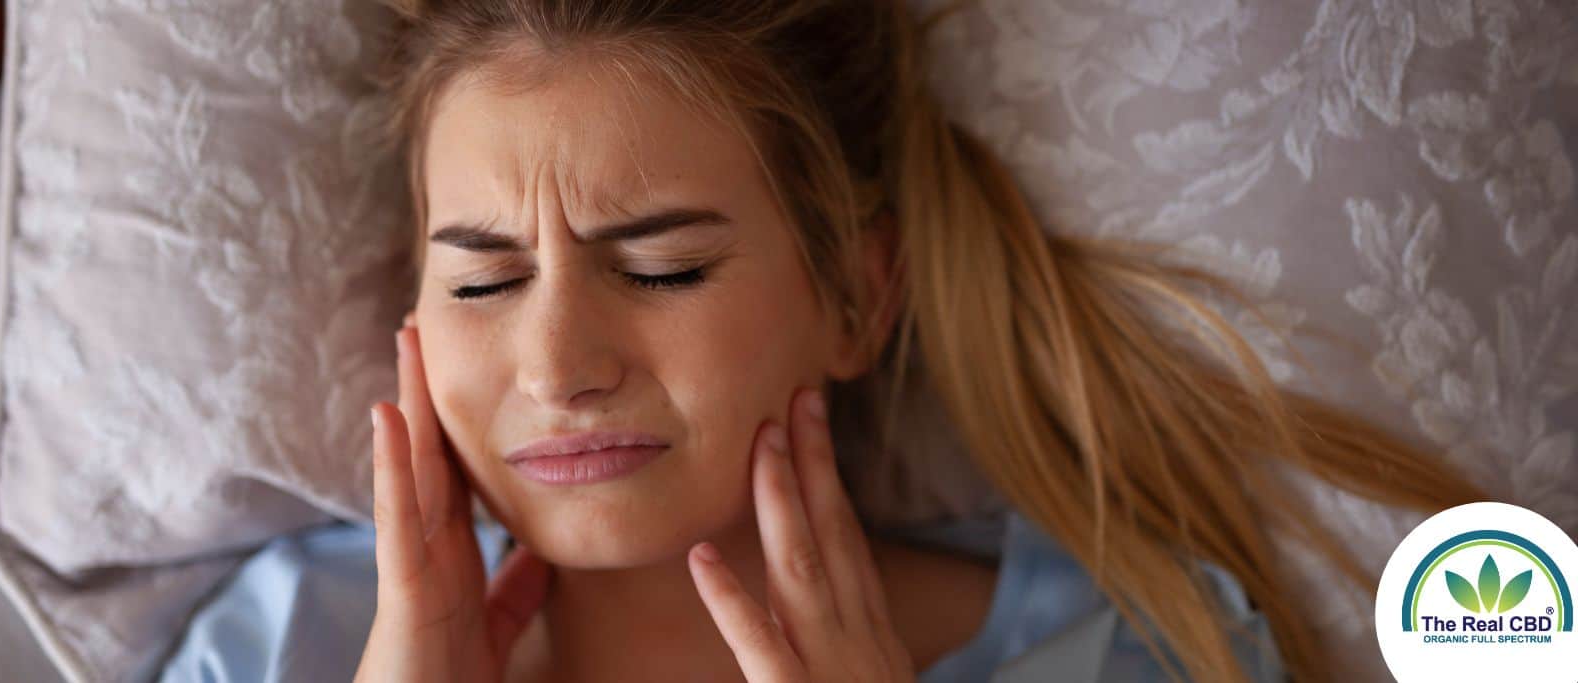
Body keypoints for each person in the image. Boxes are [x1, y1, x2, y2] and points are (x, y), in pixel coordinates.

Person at [162, 1, 1488, 681]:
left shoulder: (1125, 659)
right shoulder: (278, 645)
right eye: (481, 281)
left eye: (664, 265)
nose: (559, 363)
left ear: (857, 296)